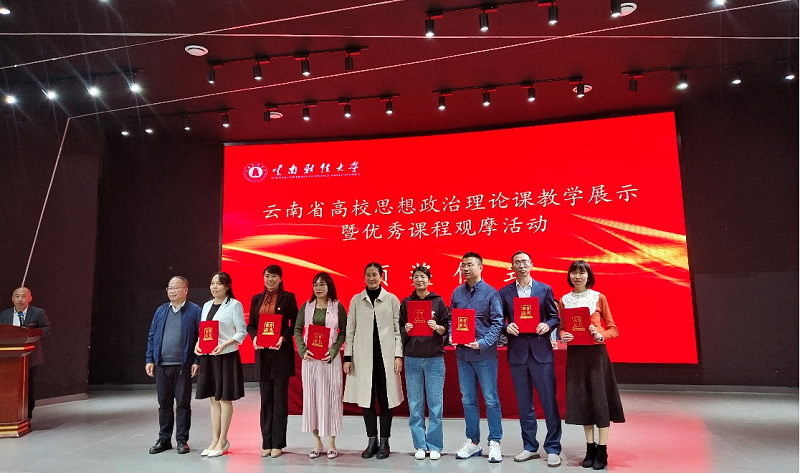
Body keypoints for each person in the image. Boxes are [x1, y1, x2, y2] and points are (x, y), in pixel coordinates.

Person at [558, 260, 625, 470]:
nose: (577, 277)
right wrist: (564, 335)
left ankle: (602, 449)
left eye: (582, 273)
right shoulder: (564, 300)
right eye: (574, 273)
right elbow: (562, 328)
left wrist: (599, 334)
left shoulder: (599, 297)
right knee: (583, 401)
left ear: (589, 276)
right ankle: (590, 448)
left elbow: (613, 329)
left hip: (596, 356)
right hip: (576, 357)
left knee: (600, 400)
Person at [498, 251, 562, 466]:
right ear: (512, 267)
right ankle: (529, 446)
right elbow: (499, 320)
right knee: (524, 403)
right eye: (517, 262)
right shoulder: (504, 292)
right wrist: (507, 327)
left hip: (541, 352)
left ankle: (553, 447)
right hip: (518, 353)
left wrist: (547, 325)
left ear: (532, 265)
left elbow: (554, 317)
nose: (521, 265)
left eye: (525, 261)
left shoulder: (544, 289)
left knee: (548, 402)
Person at [343, 262, 404, 460]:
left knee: (386, 400)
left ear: (381, 277)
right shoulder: (356, 300)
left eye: (375, 274)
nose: (371, 278)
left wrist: (398, 355)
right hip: (363, 359)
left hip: (385, 359)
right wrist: (348, 357)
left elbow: (398, 331)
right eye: (368, 274)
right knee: (366, 400)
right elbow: (350, 330)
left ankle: (385, 442)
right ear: (364, 277)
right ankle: (372, 441)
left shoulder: (391, 299)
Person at [449, 252, 504, 463]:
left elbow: (498, 323)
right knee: (468, 399)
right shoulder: (457, 293)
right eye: (463, 265)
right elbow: (453, 319)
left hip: (484, 354)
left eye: (469, 265)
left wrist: (483, 342)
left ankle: (495, 442)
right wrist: (452, 334)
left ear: (481, 267)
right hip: (463, 354)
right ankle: (473, 442)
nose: (465, 269)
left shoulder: (491, 293)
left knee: (490, 399)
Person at [145, 277, 202, 454]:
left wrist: (196, 361)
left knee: (183, 404)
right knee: (164, 403)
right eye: (169, 288)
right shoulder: (161, 311)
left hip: (183, 366)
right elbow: (152, 336)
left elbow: (201, 338)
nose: (172, 291)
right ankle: (164, 439)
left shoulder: (195, 311)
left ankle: (182, 440)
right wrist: (149, 359)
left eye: (175, 288)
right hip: (162, 365)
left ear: (185, 290)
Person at [399, 266, 450, 461]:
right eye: (416, 277)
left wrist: (437, 327)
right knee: (415, 404)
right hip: (412, 358)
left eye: (423, 277)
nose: (419, 280)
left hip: (434, 358)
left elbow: (446, 328)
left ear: (429, 280)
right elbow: (399, 329)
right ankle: (420, 445)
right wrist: (406, 328)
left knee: (436, 405)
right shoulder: (406, 302)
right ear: (412, 280)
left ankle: (435, 445)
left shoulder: (438, 301)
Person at [247, 265, 298, 458]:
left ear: (280, 278)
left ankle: (278, 443)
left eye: (274, 276)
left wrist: (283, 337)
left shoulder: (289, 297)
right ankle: (266, 442)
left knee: (280, 401)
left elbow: (295, 324)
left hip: (281, 353)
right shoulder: (256, 299)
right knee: (266, 399)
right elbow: (251, 325)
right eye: (267, 276)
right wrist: (254, 338)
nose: (270, 279)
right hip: (263, 354)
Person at [294, 272, 347, 459]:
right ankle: (317, 441)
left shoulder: (337, 306)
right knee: (312, 399)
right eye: (315, 284)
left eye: (322, 284)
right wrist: (302, 350)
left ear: (329, 286)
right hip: (310, 360)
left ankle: (332, 442)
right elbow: (298, 329)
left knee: (332, 398)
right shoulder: (306, 307)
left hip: (329, 360)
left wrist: (333, 351)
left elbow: (343, 332)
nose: (318, 288)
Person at [194, 271, 247, 458]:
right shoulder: (207, 305)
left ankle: (223, 440)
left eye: (218, 283)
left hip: (226, 356)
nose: (214, 287)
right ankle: (214, 439)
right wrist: (198, 343)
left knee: (224, 399)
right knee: (213, 399)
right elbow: (204, 331)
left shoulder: (234, 305)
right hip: (209, 356)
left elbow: (241, 332)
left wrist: (225, 344)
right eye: (212, 283)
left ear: (227, 286)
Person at [0, 287, 51, 419]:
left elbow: (46, 329)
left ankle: (27, 416)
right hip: (8, 358)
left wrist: (31, 333)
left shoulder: (38, 313)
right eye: (17, 296)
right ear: (12, 298)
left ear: (30, 298)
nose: (20, 299)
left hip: (30, 357)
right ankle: (8, 415)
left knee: (28, 387)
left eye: (23, 296)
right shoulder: (5, 314)